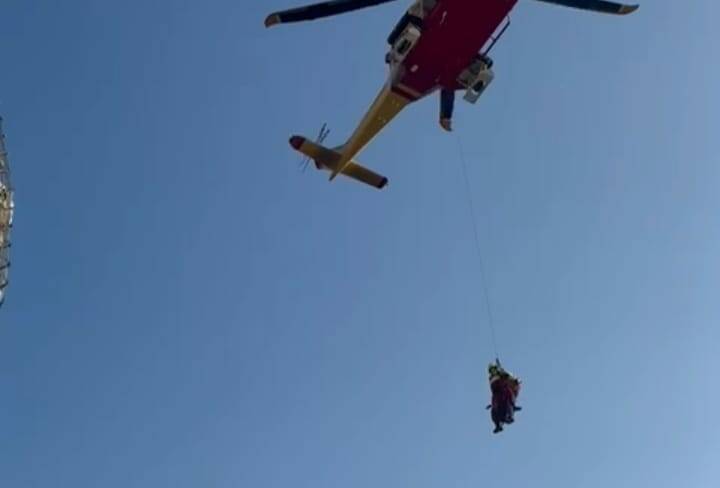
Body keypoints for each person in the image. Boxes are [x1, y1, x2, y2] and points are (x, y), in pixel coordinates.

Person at [487, 362, 521, 433]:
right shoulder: (490, 378)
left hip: (503, 391)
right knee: (494, 409)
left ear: (496, 369)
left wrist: (503, 373)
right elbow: (493, 387)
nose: (493, 371)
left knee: (507, 397)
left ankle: (511, 412)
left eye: (494, 369)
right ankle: (497, 425)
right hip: (496, 394)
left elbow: (509, 378)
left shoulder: (501, 374)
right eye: (491, 370)